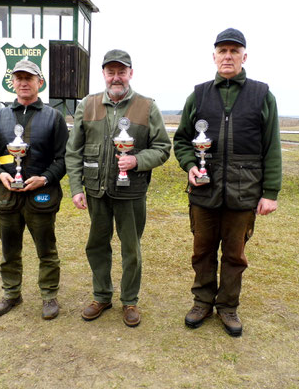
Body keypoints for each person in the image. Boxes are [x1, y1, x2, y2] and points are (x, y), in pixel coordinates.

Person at [173, 28, 282, 337]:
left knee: (235, 255)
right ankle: (202, 302)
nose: (228, 56)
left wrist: (270, 192)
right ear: (214, 56)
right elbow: (181, 140)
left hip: (244, 192)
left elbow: (271, 146)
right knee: (202, 250)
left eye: (234, 51)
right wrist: (191, 164)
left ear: (244, 56)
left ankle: (228, 307)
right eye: (223, 51)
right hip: (204, 191)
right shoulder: (199, 94)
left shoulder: (263, 95)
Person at [65, 49, 171, 327]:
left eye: (121, 71)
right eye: (110, 71)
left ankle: (130, 301)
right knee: (97, 245)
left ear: (130, 74)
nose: (116, 77)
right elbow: (73, 151)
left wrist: (137, 159)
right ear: (103, 74)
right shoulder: (86, 105)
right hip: (95, 191)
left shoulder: (147, 107)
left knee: (131, 249)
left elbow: (162, 148)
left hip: (131, 192)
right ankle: (101, 296)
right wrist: (76, 187)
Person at [0, 59, 68, 320]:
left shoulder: (54, 117)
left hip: (41, 197)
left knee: (47, 251)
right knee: (9, 251)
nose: (23, 82)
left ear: (40, 82)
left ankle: (49, 296)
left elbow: (63, 159)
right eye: (18, 78)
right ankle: (11, 293)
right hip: (6, 197)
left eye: (29, 78)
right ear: (13, 83)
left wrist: (46, 178)